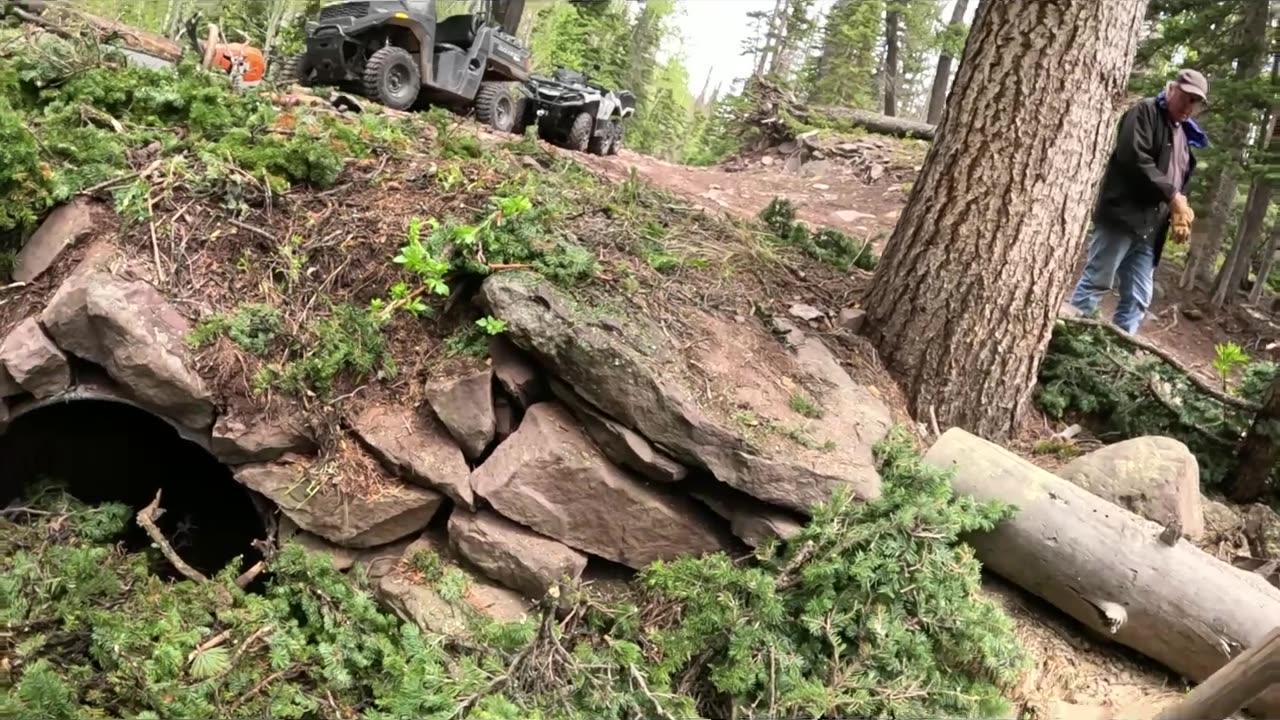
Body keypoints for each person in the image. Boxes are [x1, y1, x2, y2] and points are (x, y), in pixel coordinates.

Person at [1068, 69, 1210, 335]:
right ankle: (1068, 339)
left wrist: (1179, 212)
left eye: (1195, 101)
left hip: (1150, 230)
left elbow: (1178, 183)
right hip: (1122, 217)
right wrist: (1173, 195)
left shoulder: (1182, 136)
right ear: (1171, 89)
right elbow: (1134, 157)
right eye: (1186, 97)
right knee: (1097, 281)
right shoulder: (1144, 112)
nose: (1188, 105)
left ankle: (1118, 351)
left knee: (1137, 298)